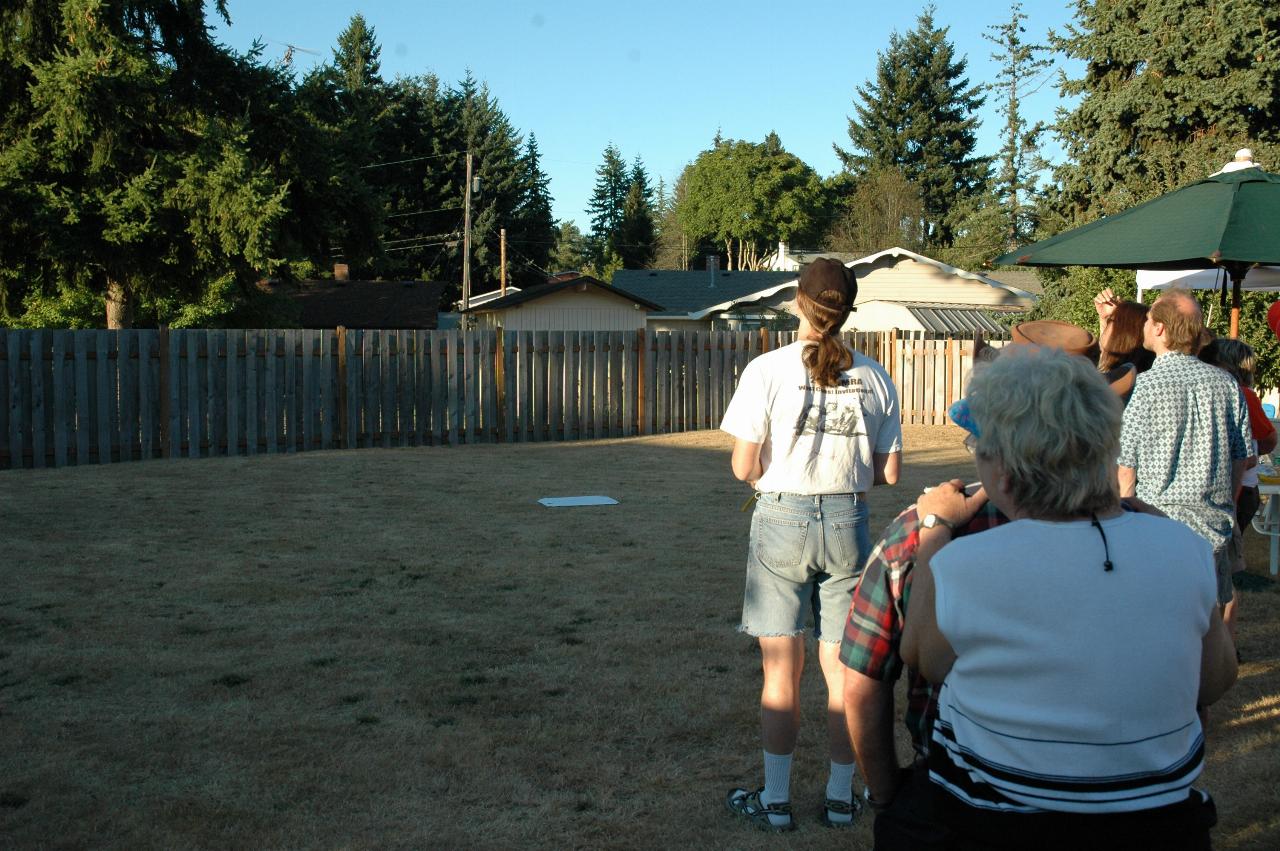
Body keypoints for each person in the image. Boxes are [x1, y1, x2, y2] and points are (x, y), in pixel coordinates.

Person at [899, 346, 1237, 850]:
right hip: (1159, 825)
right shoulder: (1183, 548)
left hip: (996, 821)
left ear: (1004, 471)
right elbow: (1215, 680)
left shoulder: (964, 563)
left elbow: (924, 659)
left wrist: (934, 527)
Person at [840, 325, 1151, 849]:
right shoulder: (1152, 540)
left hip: (963, 798)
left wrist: (889, 797)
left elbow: (868, 680)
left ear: (999, 448)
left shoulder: (922, 534)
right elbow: (1202, 685)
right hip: (1124, 799)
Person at [720, 257, 903, 832]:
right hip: (849, 523)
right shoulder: (875, 376)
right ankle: (841, 798)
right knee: (843, 673)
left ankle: (776, 801)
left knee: (781, 673)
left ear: (798, 302)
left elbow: (742, 465)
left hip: (781, 518)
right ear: (847, 311)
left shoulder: (767, 369)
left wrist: (772, 477)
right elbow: (889, 472)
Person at [1117, 289, 1252, 610]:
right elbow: (1241, 457)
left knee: (1161, 621)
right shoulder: (1227, 384)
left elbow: (1126, 468)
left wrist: (1125, 525)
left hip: (1158, 528)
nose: (1144, 325)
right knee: (1206, 623)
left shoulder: (1145, 386)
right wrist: (1226, 509)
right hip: (1213, 529)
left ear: (1160, 328)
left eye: (1148, 319)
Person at [1202, 337, 1277, 647]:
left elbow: (1266, 440)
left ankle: (1224, 646)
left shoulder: (1241, 394)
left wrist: (1244, 456)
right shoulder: (1235, 392)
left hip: (1237, 490)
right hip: (1236, 489)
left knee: (1223, 574)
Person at [1093, 287, 1155, 387]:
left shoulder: (1117, 386)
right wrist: (1104, 318)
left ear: (1124, 333)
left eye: (1110, 321)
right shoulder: (1137, 378)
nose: (1107, 325)